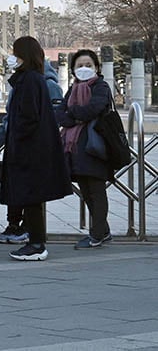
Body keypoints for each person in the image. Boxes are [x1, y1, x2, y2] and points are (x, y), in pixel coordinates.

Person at [1, 36, 71, 261]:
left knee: (31, 196)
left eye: (15, 53)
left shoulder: (29, 80)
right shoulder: (32, 79)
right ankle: (34, 241)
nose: (13, 57)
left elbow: (28, 117)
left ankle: (37, 244)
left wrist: (16, 141)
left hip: (30, 150)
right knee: (30, 197)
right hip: (32, 148)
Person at [0, 59, 63, 244]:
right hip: (14, 144)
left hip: (33, 147)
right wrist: (1, 137)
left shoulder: (45, 84)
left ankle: (30, 231)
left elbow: (53, 116)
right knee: (13, 187)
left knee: (31, 191)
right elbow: (10, 115)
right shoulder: (20, 82)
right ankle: (14, 224)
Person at [56, 49, 114, 249]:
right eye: (79, 65)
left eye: (88, 65)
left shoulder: (101, 86)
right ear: (72, 69)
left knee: (97, 190)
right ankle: (103, 231)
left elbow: (94, 109)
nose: (84, 69)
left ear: (97, 67)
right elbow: (60, 114)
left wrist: (73, 114)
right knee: (87, 191)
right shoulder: (72, 89)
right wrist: (75, 115)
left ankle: (97, 233)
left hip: (94, 145)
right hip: (75, 148)